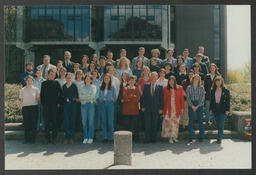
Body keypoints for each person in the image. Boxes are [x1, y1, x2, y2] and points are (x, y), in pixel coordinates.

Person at [40, 69, 62, 144]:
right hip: (46, 106)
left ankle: (54, 138)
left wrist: (59, 102)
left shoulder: (57, 83)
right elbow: (42, 95)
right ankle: (47, 138)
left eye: (54, 74)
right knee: (47, 123)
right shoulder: (44, 83)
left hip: (54, 106)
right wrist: (43, 104)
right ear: (48, 75)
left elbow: (60, 93)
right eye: (51, 74)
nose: (52, 76)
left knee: (54, 122)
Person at [141, 72, 163, 143]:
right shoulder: (146, 86)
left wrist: (161, 108)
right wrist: (143, 106)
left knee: (155, 124)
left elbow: (161, 99)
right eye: (152, 76)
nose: (153, 78)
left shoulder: (160, 87)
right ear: (150, 77)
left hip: (156, 109)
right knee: (147, 124)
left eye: (155, 76)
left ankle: (153, 138)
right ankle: (147, 138)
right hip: (147, 108)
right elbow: (143, 97)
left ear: (157, 77)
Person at [161, 76, 185, 143]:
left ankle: (174, 137)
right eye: (170, 81)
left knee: (176, 123)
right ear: (168, 81)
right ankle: (170, 137)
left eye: (173, 81)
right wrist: (163, 109)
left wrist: (182, 108)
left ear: (175, 81)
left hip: (177, 108)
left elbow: (182, 99)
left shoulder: (180, 88)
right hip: (168, 108)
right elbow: (164, 100)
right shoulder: (165, 88)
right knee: (170, 123)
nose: (171, 82)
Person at [19, 75, 40, 143]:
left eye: (31, 80)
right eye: (28, 80)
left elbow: (38, 99)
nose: (29, 82)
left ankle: (33, 139)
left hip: (34, 107)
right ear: (26, 81)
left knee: (33, 124)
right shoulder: (22, 89)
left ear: (33, 81)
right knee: (26, 124)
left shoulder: (36, 89)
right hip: (25, 108)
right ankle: (27, 139)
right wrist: (21, 106)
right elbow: (21, 100)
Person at [210, 76, 230, 144]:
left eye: (219, 81)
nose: (218, 82)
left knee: (221, 124)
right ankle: (219, 134)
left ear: (222, 82)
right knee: (218, 124)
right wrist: (210, 109)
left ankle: (219, 138)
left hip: (223, 109)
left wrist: (227, 110)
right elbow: (211, 101)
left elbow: (228, 101)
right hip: (215, 108)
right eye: (216, 81)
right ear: (215, 82)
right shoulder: (212, 90)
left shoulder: (226, 90)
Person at [97, 73, 116, 143]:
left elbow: (114, 97)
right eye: (105, 78)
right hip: (102, 104)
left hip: (110, 105)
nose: (106, 79)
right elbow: (98, 96)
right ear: (103, 79)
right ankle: (104, 137)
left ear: (110, 79)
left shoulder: (112, 87)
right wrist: (103, 99)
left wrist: (108, 99)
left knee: (110, 122)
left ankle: (111, 138)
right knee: (104, 121)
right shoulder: (100, 87)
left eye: (107, 78)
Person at [186, 74, 205, 142]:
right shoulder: (189, 87)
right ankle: (191, 136)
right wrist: (192, 106)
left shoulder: (202, 87)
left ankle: (201, 136)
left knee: (200, 120)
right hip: (191, 104)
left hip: (199, 105)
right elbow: (188, 98)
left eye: (197, 79)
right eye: (195, 78)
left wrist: (197, 106)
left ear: (199, 80)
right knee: (191, 121)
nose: (196, 80)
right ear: (193, 79)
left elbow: (202, 98)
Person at [79, 74, 97, 144]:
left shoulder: (93, 87)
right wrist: (88, 96)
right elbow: (81, 97)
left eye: (89, 78)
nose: (87, 80)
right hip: (83, 105)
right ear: (85, 80)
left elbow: (93, 96)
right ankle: (85, 137)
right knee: (84, 122)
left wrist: (85, 96)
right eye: (86, 78)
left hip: (91, 105)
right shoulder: (81, 87)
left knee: (91, 122)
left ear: (91, 80)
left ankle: (90, 137)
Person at [62, 73, 79, 144]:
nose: (68, 79)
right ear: (65, 78)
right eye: (67, 78)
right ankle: (66, 137)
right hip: (65, 106)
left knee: (72, 120)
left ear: (71, 78)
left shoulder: (74, 85)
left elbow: (77, 95)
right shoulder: (63, 86)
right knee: (66, 121)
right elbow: (62, 96)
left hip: (73, 105)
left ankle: (71, 137)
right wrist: (65, 99)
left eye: (70, 78)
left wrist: (72, 100)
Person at [122, 75, 140, 141]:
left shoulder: (137, 89)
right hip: (126, 110)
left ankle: (136, 138)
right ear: (128, 81)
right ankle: (127, 138)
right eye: (131, 80)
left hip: (135, 110)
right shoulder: (125, 88)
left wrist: (129, 97)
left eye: (133, 80)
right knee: (127, 125)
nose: (132, 82)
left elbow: (137, 99)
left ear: (135, 81)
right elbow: (124, 97)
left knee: (135, 125)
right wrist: (132, 96)